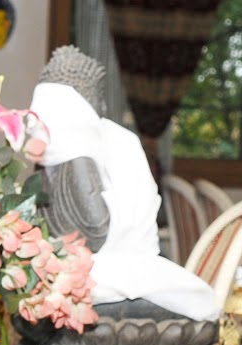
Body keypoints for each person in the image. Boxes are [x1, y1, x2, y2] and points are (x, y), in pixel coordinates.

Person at [29, 45, 217, 320]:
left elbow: (96, 230)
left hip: (115, 266)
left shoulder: (88, 147)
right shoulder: (59, 152)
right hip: (76, 268)